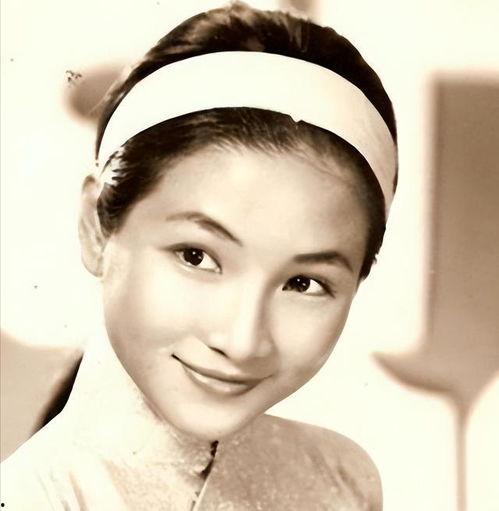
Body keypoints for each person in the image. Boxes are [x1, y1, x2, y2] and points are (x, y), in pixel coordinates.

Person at [0, 2, 397, 509]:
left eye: (303, 283)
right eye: (195, 256)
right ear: (96, 227)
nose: (242, 341)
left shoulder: (340, 481)